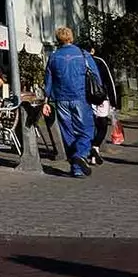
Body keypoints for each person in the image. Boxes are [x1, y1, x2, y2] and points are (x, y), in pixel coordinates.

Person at [43, 26, 102, 178]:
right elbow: (95, 76)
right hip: (80, 96)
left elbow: (48, 81)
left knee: (68, 132)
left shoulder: (54, 56)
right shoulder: (83, 54)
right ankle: (80, 155)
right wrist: (99, 97)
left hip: (61, 99)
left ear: (57, 39)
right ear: (72, 37)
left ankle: (75, 167)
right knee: (86, 130)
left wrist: (46, 101)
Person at [82, 40, 119, 166]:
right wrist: (114, 100)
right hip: (101, 97)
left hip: (85, 98)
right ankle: (95, 147)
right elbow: (109, 81)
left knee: (89, 125)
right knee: (102, 125)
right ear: (92, 50)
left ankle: (91, 151)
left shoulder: (78, 61)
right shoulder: (99, 61)